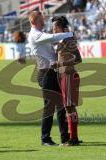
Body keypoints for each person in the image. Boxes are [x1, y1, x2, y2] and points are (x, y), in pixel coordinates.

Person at [27, 11, 74, 146]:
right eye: (41, 21)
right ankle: (45, 138)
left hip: (51, 72)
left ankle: (65, 138)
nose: (43, 23)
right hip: (46, 73)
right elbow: (54, 37)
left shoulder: (39, 34)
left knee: (60, 107)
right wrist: (70, 34)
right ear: (33, 22)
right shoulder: (35, 35)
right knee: (49, 107)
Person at [51, 16, 82, 146]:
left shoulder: (68, 40)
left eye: (54, 28)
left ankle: (73, 139)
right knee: (69, 108)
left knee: (69, 108)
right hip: (64, 76)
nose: (53, 30)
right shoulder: (63, 40)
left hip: (69, 76)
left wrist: (59, 63)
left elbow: (78, 59)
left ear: (60, 28)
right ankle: (73, 137)